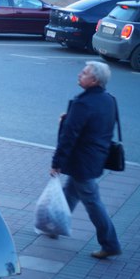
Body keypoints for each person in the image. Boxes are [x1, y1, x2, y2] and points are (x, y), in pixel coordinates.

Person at [50, 60, 122, 259]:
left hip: (82, 161)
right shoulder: (109, 99)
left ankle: (110, 243)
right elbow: (100, 127)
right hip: (95, 158)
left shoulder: (83, 104)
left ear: (95, 80)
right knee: (70, 193)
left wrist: (57, 163)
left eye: (84, 73)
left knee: (92, 202)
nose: (79, 75)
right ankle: (54, 226)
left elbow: (69, 136)